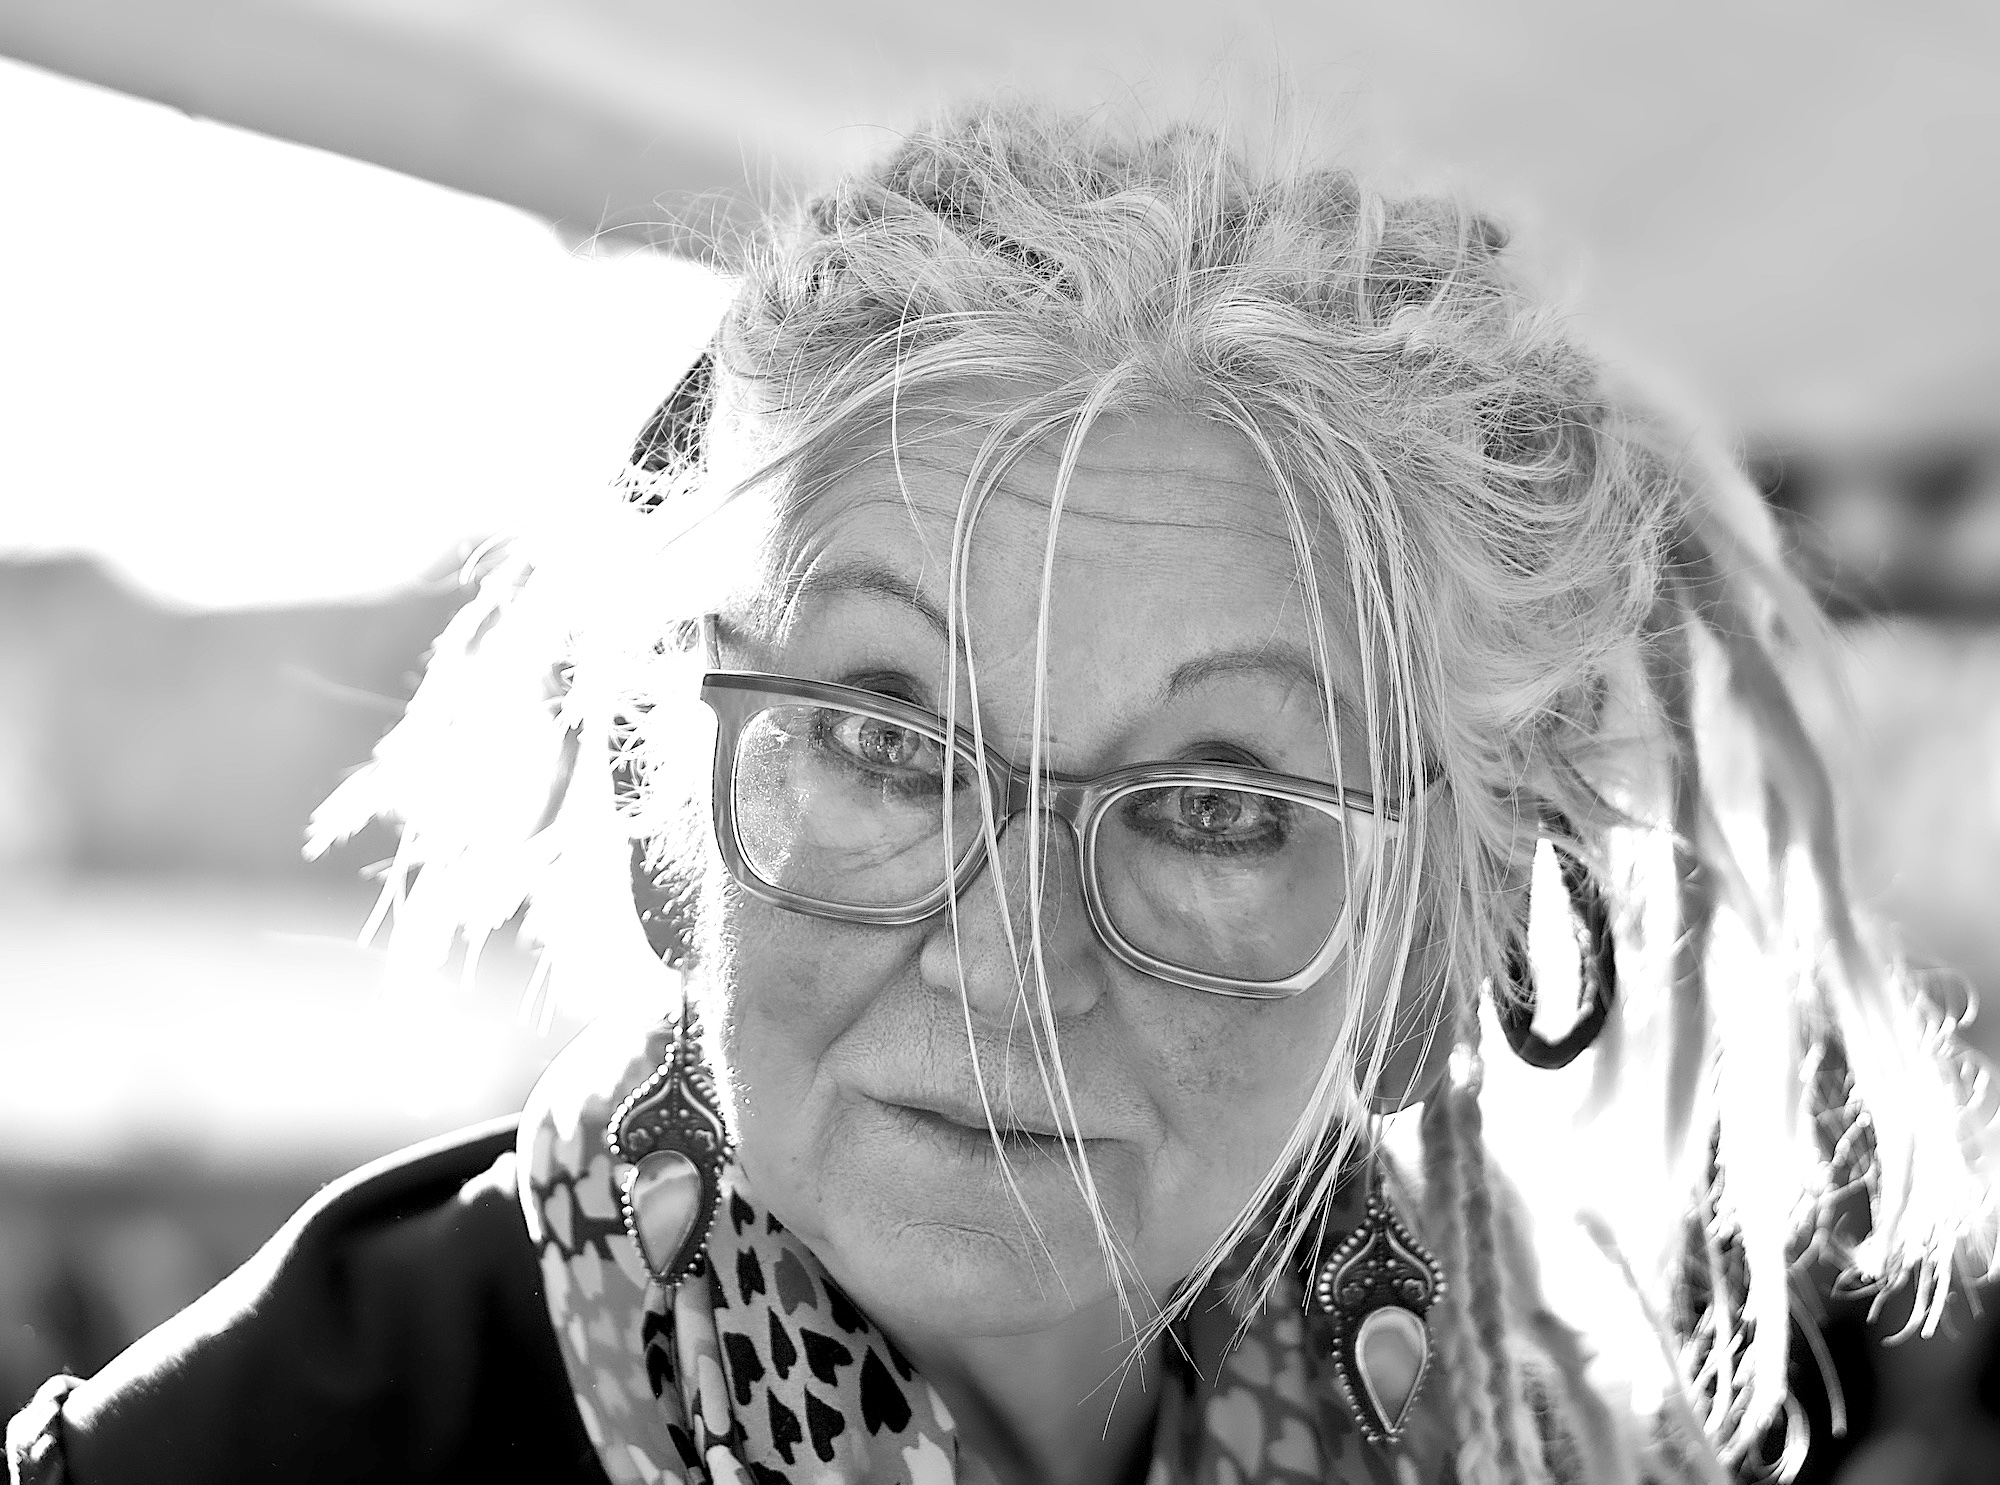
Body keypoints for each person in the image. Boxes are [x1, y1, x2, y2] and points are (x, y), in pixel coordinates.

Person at [9, 102, 1996, 1485]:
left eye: (1214, 803)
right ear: (667, 815)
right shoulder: (233, 1460)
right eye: (885, 741)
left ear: (1422, 966)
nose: (1012, 965)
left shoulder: (1531, 1437)